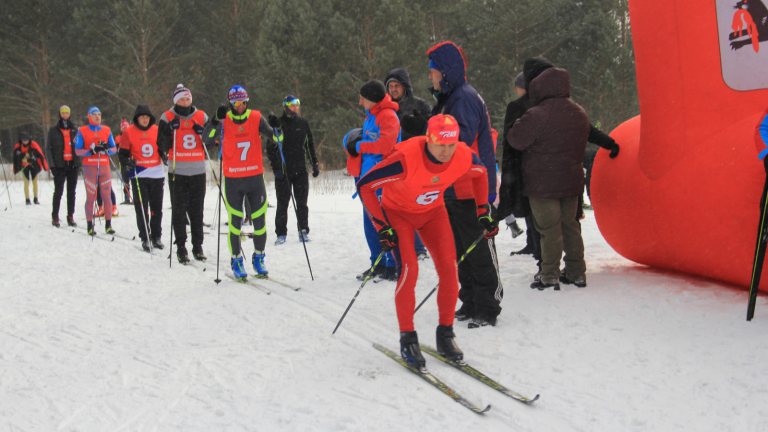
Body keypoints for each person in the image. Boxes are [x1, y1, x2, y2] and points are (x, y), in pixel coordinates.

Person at [357, 114, 498, 368]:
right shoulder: (405, 159)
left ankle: (445, 334)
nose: (446, 151)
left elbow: (481, 173)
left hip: (432, 212)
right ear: (428, 141)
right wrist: (382, 227)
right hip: (398, 212)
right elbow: (365, 185)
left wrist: (482, 210)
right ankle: (407, 337)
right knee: (409, 269)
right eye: (440, 144)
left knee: (448, 269)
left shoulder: (462, 155)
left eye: (451, 144)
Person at [403, 41, 502, 327]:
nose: (430, 78)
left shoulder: (464, 98)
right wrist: (422, 125)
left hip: (472, 187)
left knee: (478, 247)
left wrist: (425, 130)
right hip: (451, 187)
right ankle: (470, 300)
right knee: (460, 248)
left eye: (433, 73)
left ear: (445, 72)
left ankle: (487, 305)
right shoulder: (449, 98)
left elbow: (454, 142)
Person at [508, 63, 590, 290]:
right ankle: (576, 271)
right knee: (570, 226)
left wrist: (516, 124)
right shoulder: (578, 112)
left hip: (542, 183)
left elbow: (516, 140)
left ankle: (550, 274)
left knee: (549, 230)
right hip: (571, 181)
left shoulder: (537, 114)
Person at [204, 85, 282, 280]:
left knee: (260, 221)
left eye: (243, 102)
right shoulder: (224, 119)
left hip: (255, 178)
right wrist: (214, 120)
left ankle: (259, 257)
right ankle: (236, 259)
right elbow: (206, 138)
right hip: (233, 179)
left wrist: (278, 126)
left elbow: (278, 139)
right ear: (231, 103)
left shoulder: (256, 117)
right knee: (235, 222)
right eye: (236, 103)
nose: (240, 106)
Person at [344, 79, 401, 282]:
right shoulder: (372, 116)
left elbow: (385, 145)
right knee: (371, 224)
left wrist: (359, 146)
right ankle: (378, 263)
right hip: (367, 179)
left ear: (372, 99)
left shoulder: (387, 116)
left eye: (362, 98)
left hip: (382, 179)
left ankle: (393, 265)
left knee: (383, 222)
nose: (360, 102)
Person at [157, 84, 210, 264]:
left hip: (197, 171)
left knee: (197, 211)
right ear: (175, 101)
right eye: (181, 99)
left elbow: (212, 142)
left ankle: (198, 246)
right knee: (178, 211)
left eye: (187, 99)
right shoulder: (167, 117)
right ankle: (181, 246)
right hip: (177, 171)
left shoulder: (202, 116)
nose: (185, 102)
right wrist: (167, 130)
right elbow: (161, 145)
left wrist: (203, 134)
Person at [385, 68, 431, 260]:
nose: (394, 90)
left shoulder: (420, 104)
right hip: (392, 161)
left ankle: (420, 248)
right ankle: (402, 245)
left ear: (405, 87)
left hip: (417, 161)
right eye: (391, 86)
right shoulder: (385, 108)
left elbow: (433, 130)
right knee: (396, 206)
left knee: (416, 205)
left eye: (397, 86)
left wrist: (418, 127)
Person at [266, 95, 319, 244]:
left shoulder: (302, 123)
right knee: (283, 203)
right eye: (292, 104)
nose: (295, 107)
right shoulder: (279, 124)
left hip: (301, 170)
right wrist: (276, 167)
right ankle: (281, 233)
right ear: (285, 106)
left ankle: (303, 230)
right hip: (284, 171)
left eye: (297, 104)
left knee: (302, 202)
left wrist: (314, 162)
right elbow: (271, 148)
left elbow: (309, 144)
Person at [118, 104, 165, 252]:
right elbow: (122, 154)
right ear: (137, 118)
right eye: (141, 117)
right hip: (139, 174)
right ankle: (145, 237)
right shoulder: (129, 132)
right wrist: (127, 163)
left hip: (156, 173)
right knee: (142, 208)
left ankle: (156, 236)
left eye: (147, 117)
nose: (144, 120)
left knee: (156, 208)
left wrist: (165, 156)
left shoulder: (157, 130)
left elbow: (162, 149)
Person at [74, 106, 118, 236]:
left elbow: (114, 149)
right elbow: (77, 151)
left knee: (107, 197)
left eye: (99, 114)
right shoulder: (82, 131)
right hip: (90, 168)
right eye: (94, 114)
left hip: (104, 167)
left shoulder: (106, 130)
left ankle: (108, 225)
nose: (97, 116)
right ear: (89, 116)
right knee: (91, 197)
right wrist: (92, 151)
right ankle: (89, 225)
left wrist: (106, 149)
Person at [46, 105, 80, 227]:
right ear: (60, 114)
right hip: (59, 165)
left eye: (67, 113)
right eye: (63, 113)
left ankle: (70, 216)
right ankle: (55, 216)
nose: (65, 115)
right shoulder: (53, 130)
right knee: (58, 191)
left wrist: (78, 163)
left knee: (71, 192)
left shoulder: (75, 130)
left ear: (69, 114)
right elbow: (48, 149)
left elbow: (80, 146)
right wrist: (52, 165)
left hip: (72, 165)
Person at [13, 132, 48, 206]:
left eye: (26, 140)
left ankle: (35, 199)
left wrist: (45, 167)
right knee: (26, 182)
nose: (25, 142)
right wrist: (16, 169)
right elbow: (15, 158)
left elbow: (41, 155)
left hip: (33, 166)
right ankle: (27, 199)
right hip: (24, 166)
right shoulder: (17, 146)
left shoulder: (34, 144)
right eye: (23, 140)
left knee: (35, 182)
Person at [114, 119, 133, 205]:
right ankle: (127, 197)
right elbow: (115, 150)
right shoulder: (118, 138)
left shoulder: (131, 136)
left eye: (126, 127)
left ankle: (136, 198)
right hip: (123, 162)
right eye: (123, 127)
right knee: (125, 180)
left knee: (134, 179)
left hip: (131, 160)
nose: (124, 129)